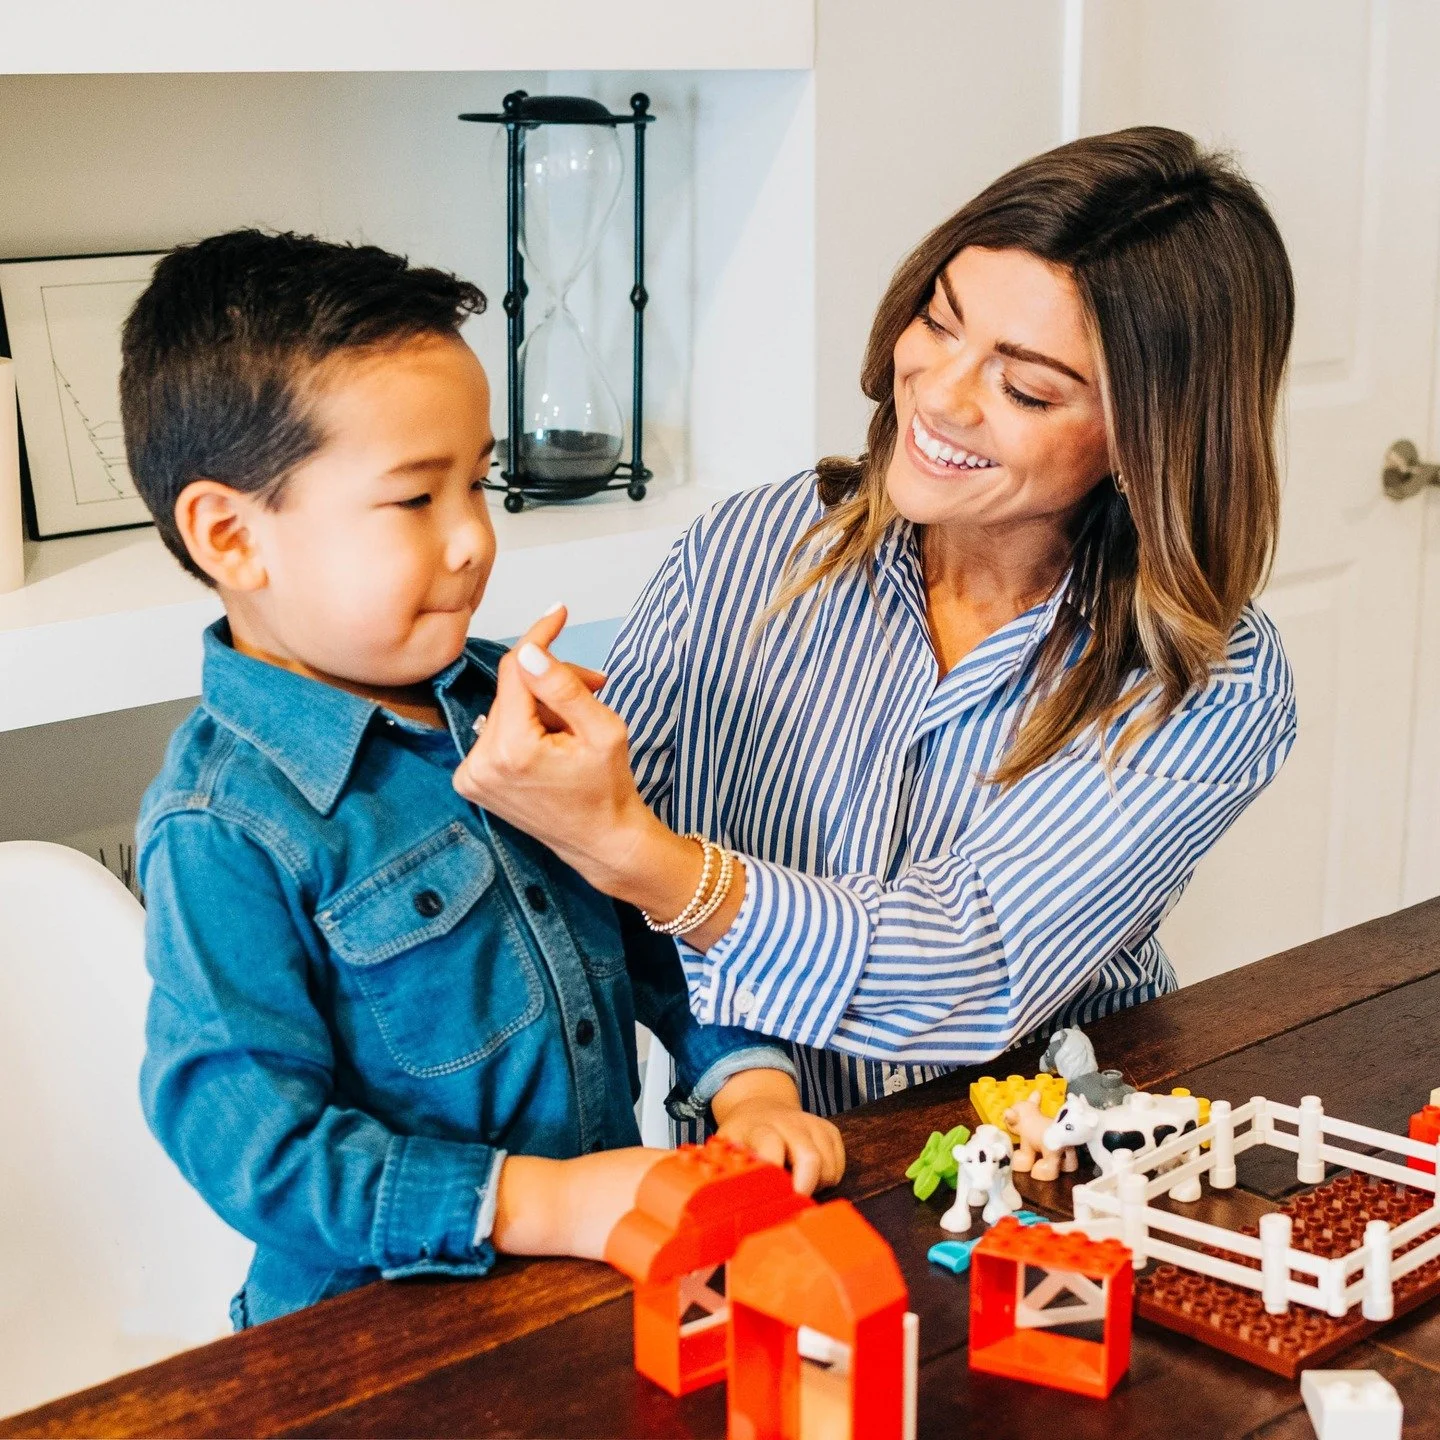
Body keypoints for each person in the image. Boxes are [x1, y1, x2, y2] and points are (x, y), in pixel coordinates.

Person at [454, 126, 1298, 1123]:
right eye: (939, 324)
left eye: (1025, 387)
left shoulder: (1208, 681)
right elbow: (598, 878)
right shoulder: (751, 549)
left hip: (1044, 1172)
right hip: (757, 1162)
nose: (940, 397)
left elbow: (973, 963)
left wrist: (643, 857)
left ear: (1148, 439)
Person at [123, 230, 843, 1328]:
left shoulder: (510, 699)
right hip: (372, 1337)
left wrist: (744, 1078)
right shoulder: (220, 825)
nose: (472, 542)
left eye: (479, 484)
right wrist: (546, 1201)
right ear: (233, 535)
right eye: (415, 500)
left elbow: (650, 936)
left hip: (590, 1291)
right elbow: (255, 1149)